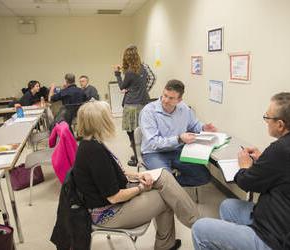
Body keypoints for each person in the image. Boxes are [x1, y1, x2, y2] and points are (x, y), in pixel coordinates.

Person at [192, 92, 290, 250]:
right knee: (227, 206)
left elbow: (246, 182)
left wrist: (245, 165)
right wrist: (265, 159)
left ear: (280, 124)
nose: (266, 121)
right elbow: (288, 170)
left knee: (200, 228)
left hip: (277, 238)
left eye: (267, 117)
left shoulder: (281, 149)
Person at [72, 100, 200, 250]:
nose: (112, 118)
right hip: (109, 214)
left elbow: (112, 172)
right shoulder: (94, 151)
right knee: (166, 197)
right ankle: (193, 227)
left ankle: (194, 224)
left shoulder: (92, 143)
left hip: (112, 203)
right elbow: (114, 197)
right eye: (109, 116)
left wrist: (139, 176)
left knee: (164, 176)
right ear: (100, 122)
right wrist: (141, 188)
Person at [139, 79, 216, 187]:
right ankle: (166, 185)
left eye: (171, 98)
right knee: (167, 182)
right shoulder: (149, 111)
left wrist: (203, 127)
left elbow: (193, 124)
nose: (165, 100)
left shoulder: (183, 108)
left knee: (204, 176)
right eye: (164, 95)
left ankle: (168, 184)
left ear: (179, 99)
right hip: (154, 153)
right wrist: (179, 139)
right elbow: (154, 143)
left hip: (176, 150)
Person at [114, 45, 150, 167]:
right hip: (144, 104)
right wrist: (136, 88)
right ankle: (141, 154)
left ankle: (137, 159)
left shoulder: (129, 72)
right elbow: (147, 80)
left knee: (132, 133)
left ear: (127, 58)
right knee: (143, 131)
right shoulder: (143, 68)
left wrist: (117, 74)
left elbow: (121, 87)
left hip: (132, 106)